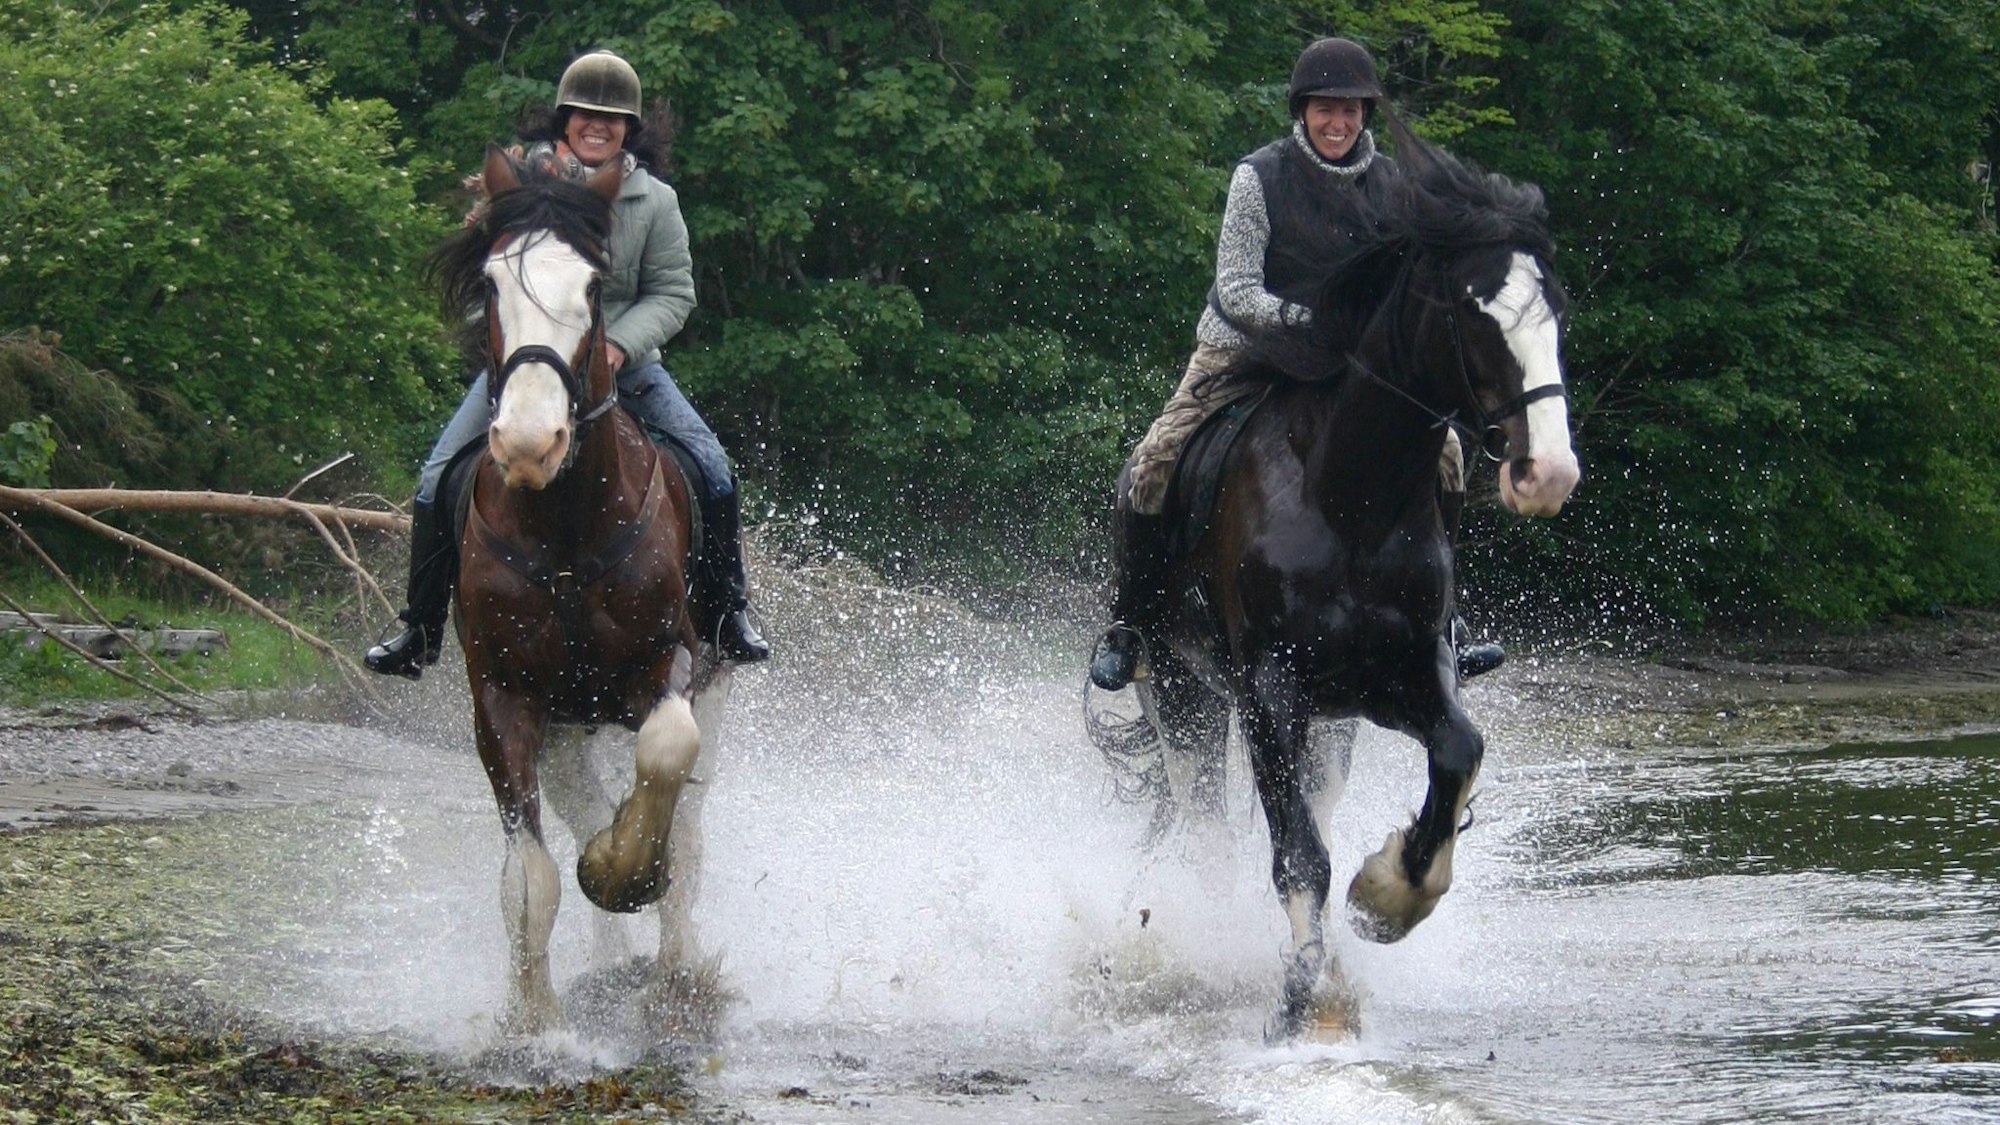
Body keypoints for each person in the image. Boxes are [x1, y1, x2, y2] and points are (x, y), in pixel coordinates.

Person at [1089, 36, 1504, 691]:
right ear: (1302, 110)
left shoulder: (1390, 187)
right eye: (1325, 109)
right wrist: (1312, 322)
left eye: (1351, 109)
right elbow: (1237, 288)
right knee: (1155, 456)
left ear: (1366, 114)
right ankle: (1129, 622)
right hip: (1246, 348)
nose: (1338, 122)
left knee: (1447, 451)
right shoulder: (1258, 176)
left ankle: (1445, 620)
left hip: (1348, 366)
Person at [366, 49, 769, 677]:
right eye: (586, 115)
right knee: (437, 478)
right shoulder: (520, 189)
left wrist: (619, 343)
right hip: (533, 370)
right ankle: (420, 629)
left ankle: (726, 613)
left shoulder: (654, 201)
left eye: (612, 119)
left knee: (714, 471)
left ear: (628, 129)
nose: (598, 127)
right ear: (566, 119)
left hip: (624, 367)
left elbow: (674, 292)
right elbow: (487, 284)